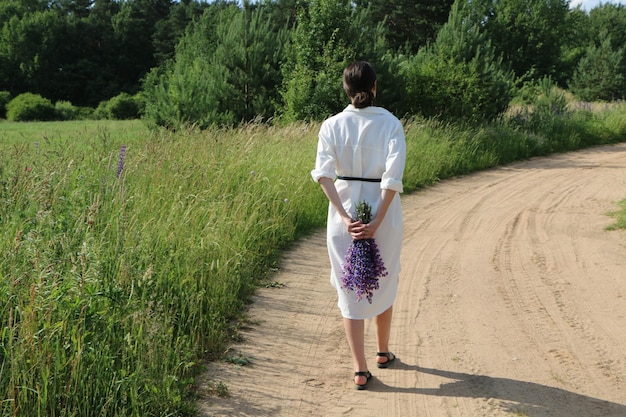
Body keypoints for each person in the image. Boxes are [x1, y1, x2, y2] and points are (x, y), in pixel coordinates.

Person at [311, 61, 406, 390]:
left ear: (346, 90)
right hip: (385, 213)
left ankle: (360, 369)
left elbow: (323, 174)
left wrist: (343, 216)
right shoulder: (391, 124)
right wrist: (377, 220)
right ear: (375, 87)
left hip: (344, 212)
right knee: (386, 276)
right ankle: (382, 352)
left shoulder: (331, 125)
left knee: (348, 285)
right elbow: (392, 178)